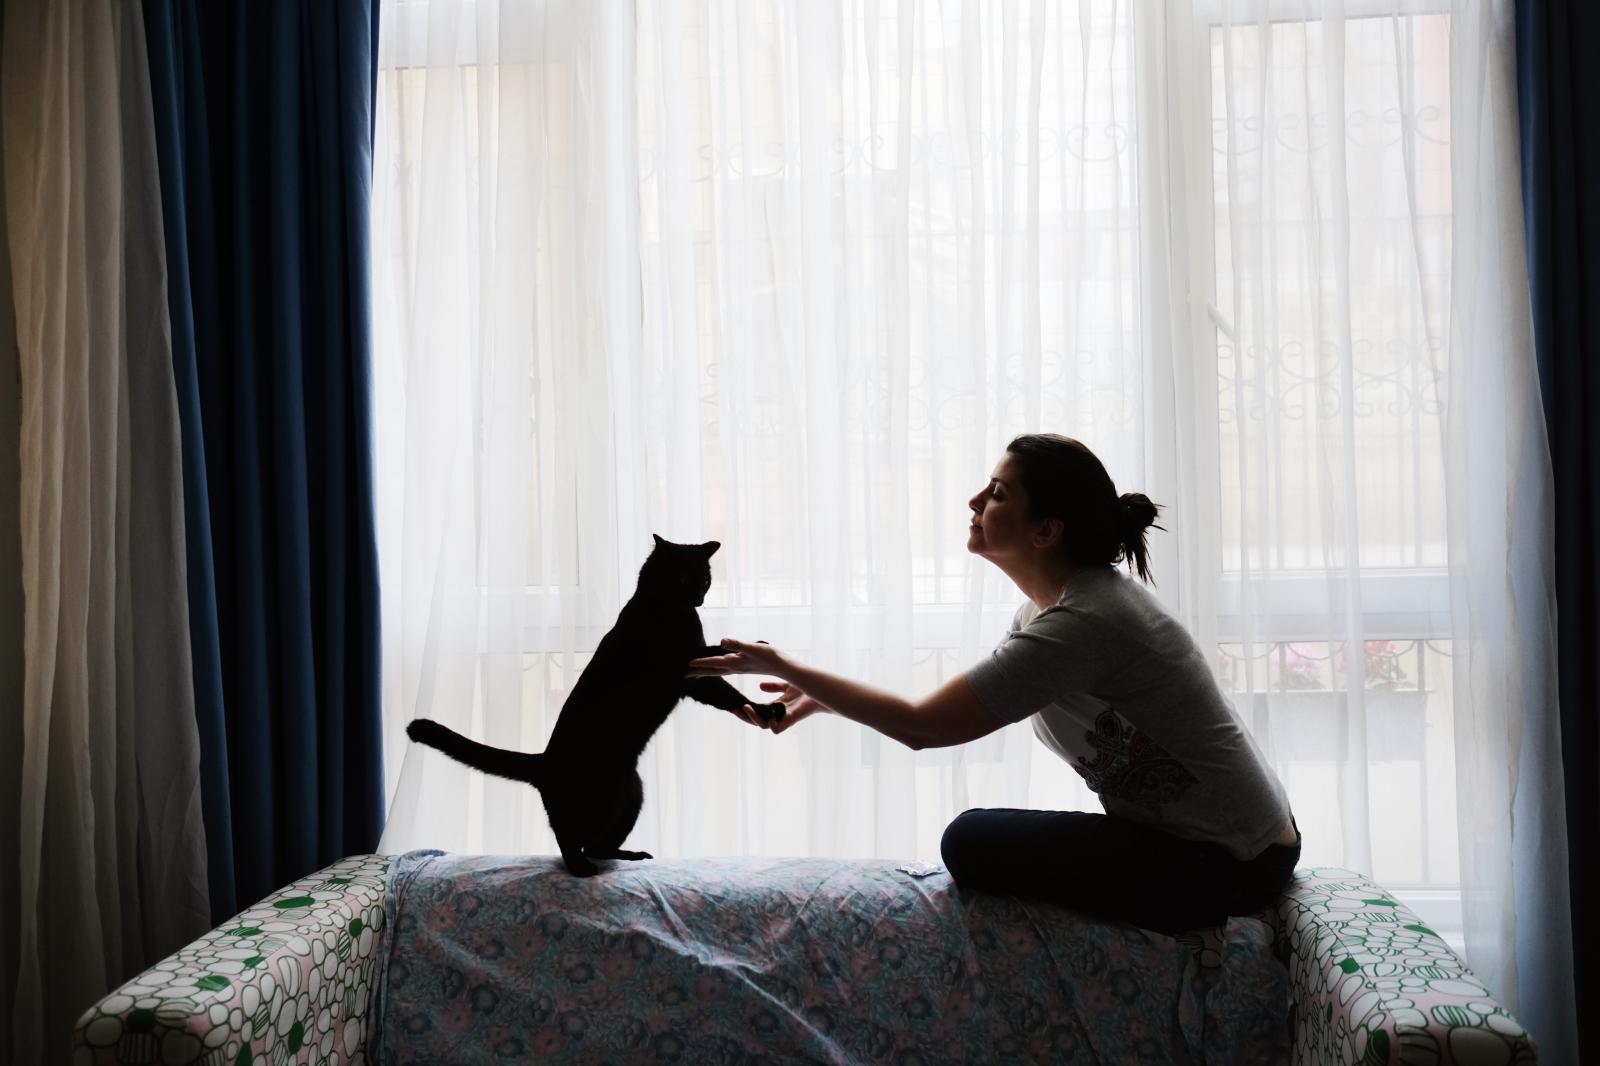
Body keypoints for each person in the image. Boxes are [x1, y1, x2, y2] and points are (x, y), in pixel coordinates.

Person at [687, 433, 1300, 935]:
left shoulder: (1085, 621)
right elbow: (944, 710)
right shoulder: (1048, 611)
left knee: (971, 840)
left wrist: (785, 666)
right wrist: (823, 698)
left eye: (999, 493)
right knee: (981, 841)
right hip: (1219, 842)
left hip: (1233, 862)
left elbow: (923, 729)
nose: (974, 500)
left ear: (1046, 530)